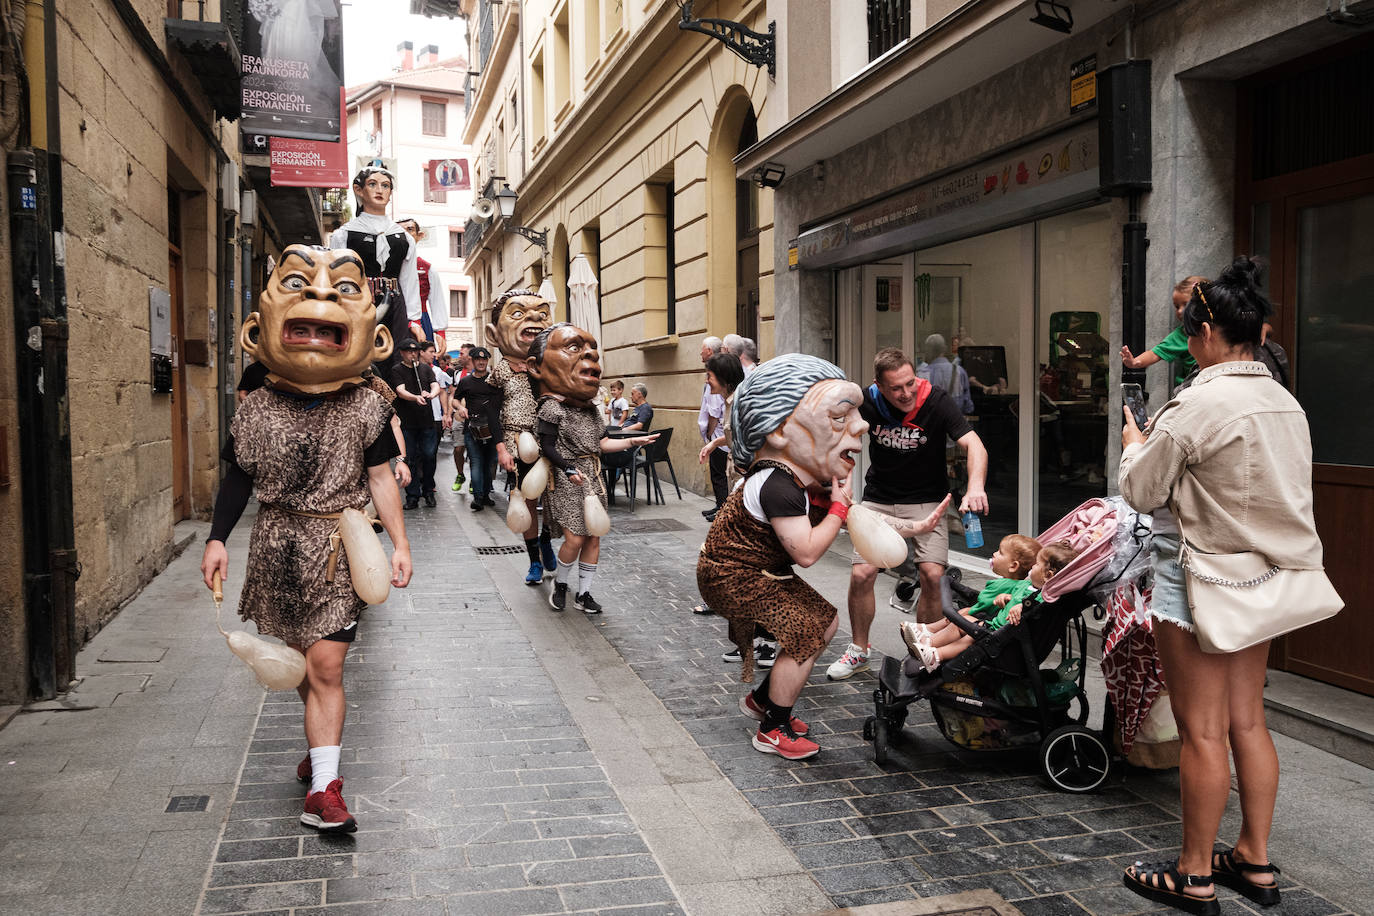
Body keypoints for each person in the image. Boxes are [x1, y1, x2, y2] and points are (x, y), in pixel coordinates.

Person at [1118, 257, 1322, 915]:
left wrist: (1133, 443)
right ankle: (1254, 861)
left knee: (1201, 732)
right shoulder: (1283, 402)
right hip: (1263, 583)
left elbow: (1142, 491)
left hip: (1198, 583)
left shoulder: (1198, 400)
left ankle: (1193, 873)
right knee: (1247, 723)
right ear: (1257, 334)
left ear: (1203, 332)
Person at [200, 244, 412, 835]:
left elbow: (379, 477)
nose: (319, 298)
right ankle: (321, 753)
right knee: (300, 663)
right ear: (258, 329)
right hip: (276, 546)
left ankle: (325, 788)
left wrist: (399, 543)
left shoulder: (367, 407)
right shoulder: (254, 410)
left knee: (325, 665)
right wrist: (217, 540)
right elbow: (238, 478)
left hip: (339, 547)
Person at [696, 353, 947, 760]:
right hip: (732, 575)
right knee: (807, 629)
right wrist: (837, 509)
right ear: (780, 430)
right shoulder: (777, 484)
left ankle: (765, 700)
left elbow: (859, 524)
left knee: (826, 622)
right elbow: (809, 552)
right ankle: (773, 729)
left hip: (760, 571)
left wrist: (916, 530)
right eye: (838, 417)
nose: (862, 426)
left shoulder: (799, 478)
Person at [828, 347, 989, 680]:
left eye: (909, 383)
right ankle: (859, 651)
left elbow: (975, 445)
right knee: (861, 575)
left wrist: (975, 487)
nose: (905, 393)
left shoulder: (937, 400)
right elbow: (839, 443)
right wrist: (840, 484)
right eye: (896, 388)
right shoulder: (867, 402)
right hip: (879, 500)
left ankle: (922, 650)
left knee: (932, 576)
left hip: (928, 501)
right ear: (880, 386)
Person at [528, 323, 657, 614]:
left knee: (594, 535)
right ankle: (561, 584)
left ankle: (584, 593)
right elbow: (546, 447)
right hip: (566, 478)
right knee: (574, 536)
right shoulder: (552, 407)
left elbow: (602, 444)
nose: (591, 358)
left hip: (592, 476)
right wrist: (568, 468)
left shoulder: (590, 409)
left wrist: (635, 440)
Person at [902, 540, 1076, 672]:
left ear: (1048, 575)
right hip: (995, 628)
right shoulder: (1027, 585)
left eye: (1037, 565)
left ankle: (934, 651)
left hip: (1001, 636)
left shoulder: (1041, 598)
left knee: (965, 630)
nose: (1032, 567)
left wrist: (1020, 608)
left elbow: (1033, 612)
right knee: (962, 621)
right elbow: (1016, 595)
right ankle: (928, 641)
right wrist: (1006, 598)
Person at [486, 289, 558, 585]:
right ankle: (534, 562)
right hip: (517, 443)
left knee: (553, 500)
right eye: (519, 313)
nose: (533, 319)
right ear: (494, 334)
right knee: (527, 501)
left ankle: (546, 539)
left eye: (542, 315)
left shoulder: (550, 368)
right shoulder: (500, 371)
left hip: (550, 441)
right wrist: (501, 449)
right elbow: (490, 414)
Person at [327, 167, 422, 375]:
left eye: (385, 185)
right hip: (357, 303)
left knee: (396, 356)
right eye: (372, 184)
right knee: (357, 353)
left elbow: (409, 280)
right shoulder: (344, 234)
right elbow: (335, 275)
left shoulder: (403, 237)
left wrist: (415, 320)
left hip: (395, 304)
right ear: (359, 190)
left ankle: (393, 404)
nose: (379, 190)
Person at [899, 533, 1039, 652]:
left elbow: (984, 601)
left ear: (1013, 566)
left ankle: (928, 640)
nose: (994, 554)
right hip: (991, 622)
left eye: (1000, 553)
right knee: (964, 613)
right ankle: (927, 632)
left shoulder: (1010, 585)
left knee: (962, 616)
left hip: (989, 625)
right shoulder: (1018, 584)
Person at [1120, 275, 1208, 387]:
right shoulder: (1181, 335)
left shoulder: (1221, 329)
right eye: (1176, 306)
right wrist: (1134, 362)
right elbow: (1155, 353)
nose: (1180, 311)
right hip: (1191, 388)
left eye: (1186, 305)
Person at [390, 339, 440, 509]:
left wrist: (431, 395)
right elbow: (400, 391)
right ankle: (412, 496)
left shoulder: (425, 369)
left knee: (428, 455)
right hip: (407, 423)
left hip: (426, 421)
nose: (412, 354)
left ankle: (428, 490)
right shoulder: (397, 370)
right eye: (408, 351)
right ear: (402, 353)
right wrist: (415, 397)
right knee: (409, 458)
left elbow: (435, 386)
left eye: (415, 351)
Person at [450, 346, 502, 511]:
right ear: (472, 361)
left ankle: (486, 494)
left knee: (490, 463)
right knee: (476, 463)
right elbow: (455, 400)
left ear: (487, 361)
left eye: (484, 359)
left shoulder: (494, 381)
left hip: (493, 429)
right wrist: (460, 408)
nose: (481, 362)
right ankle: (478, 498)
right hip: (472, 429)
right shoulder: (466, 381)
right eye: (478, 359)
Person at [398, 218, 449, 353]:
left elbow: (437, 301)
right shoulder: (388, 266)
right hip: (395, 318)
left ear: (419, 236)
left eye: (410, 230)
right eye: (399, 231)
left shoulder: (427, 269)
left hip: (422, 319)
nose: (405, 235)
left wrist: (440, 332)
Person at [698, 336, 727, 520]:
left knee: (719, 474)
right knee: (716, 473)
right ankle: (719, 505)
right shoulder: (714, 373)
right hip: (715, 435)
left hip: (717, 434)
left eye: (702, 349)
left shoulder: (716, 374)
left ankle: (722, 510)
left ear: (709, 350)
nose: (700, 352)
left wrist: (709, 435)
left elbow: (714, 410)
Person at [918, 333, 974, 415]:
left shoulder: (921, 373)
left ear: (927, 351)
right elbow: (968, 407)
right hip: (955, 424)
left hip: (930, 425)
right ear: (945, 349)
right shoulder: (959, 371)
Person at [451, 342, 473, 492]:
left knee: (474, 451)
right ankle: (460, 474)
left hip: (476, 418)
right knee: (459, 448)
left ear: (470, 356)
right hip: (459, 417)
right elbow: (452, 394)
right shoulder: (458, 373)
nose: (459, 356)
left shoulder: (485, 372)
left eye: (461, 354)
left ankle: (475, 479)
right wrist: (448, 414)